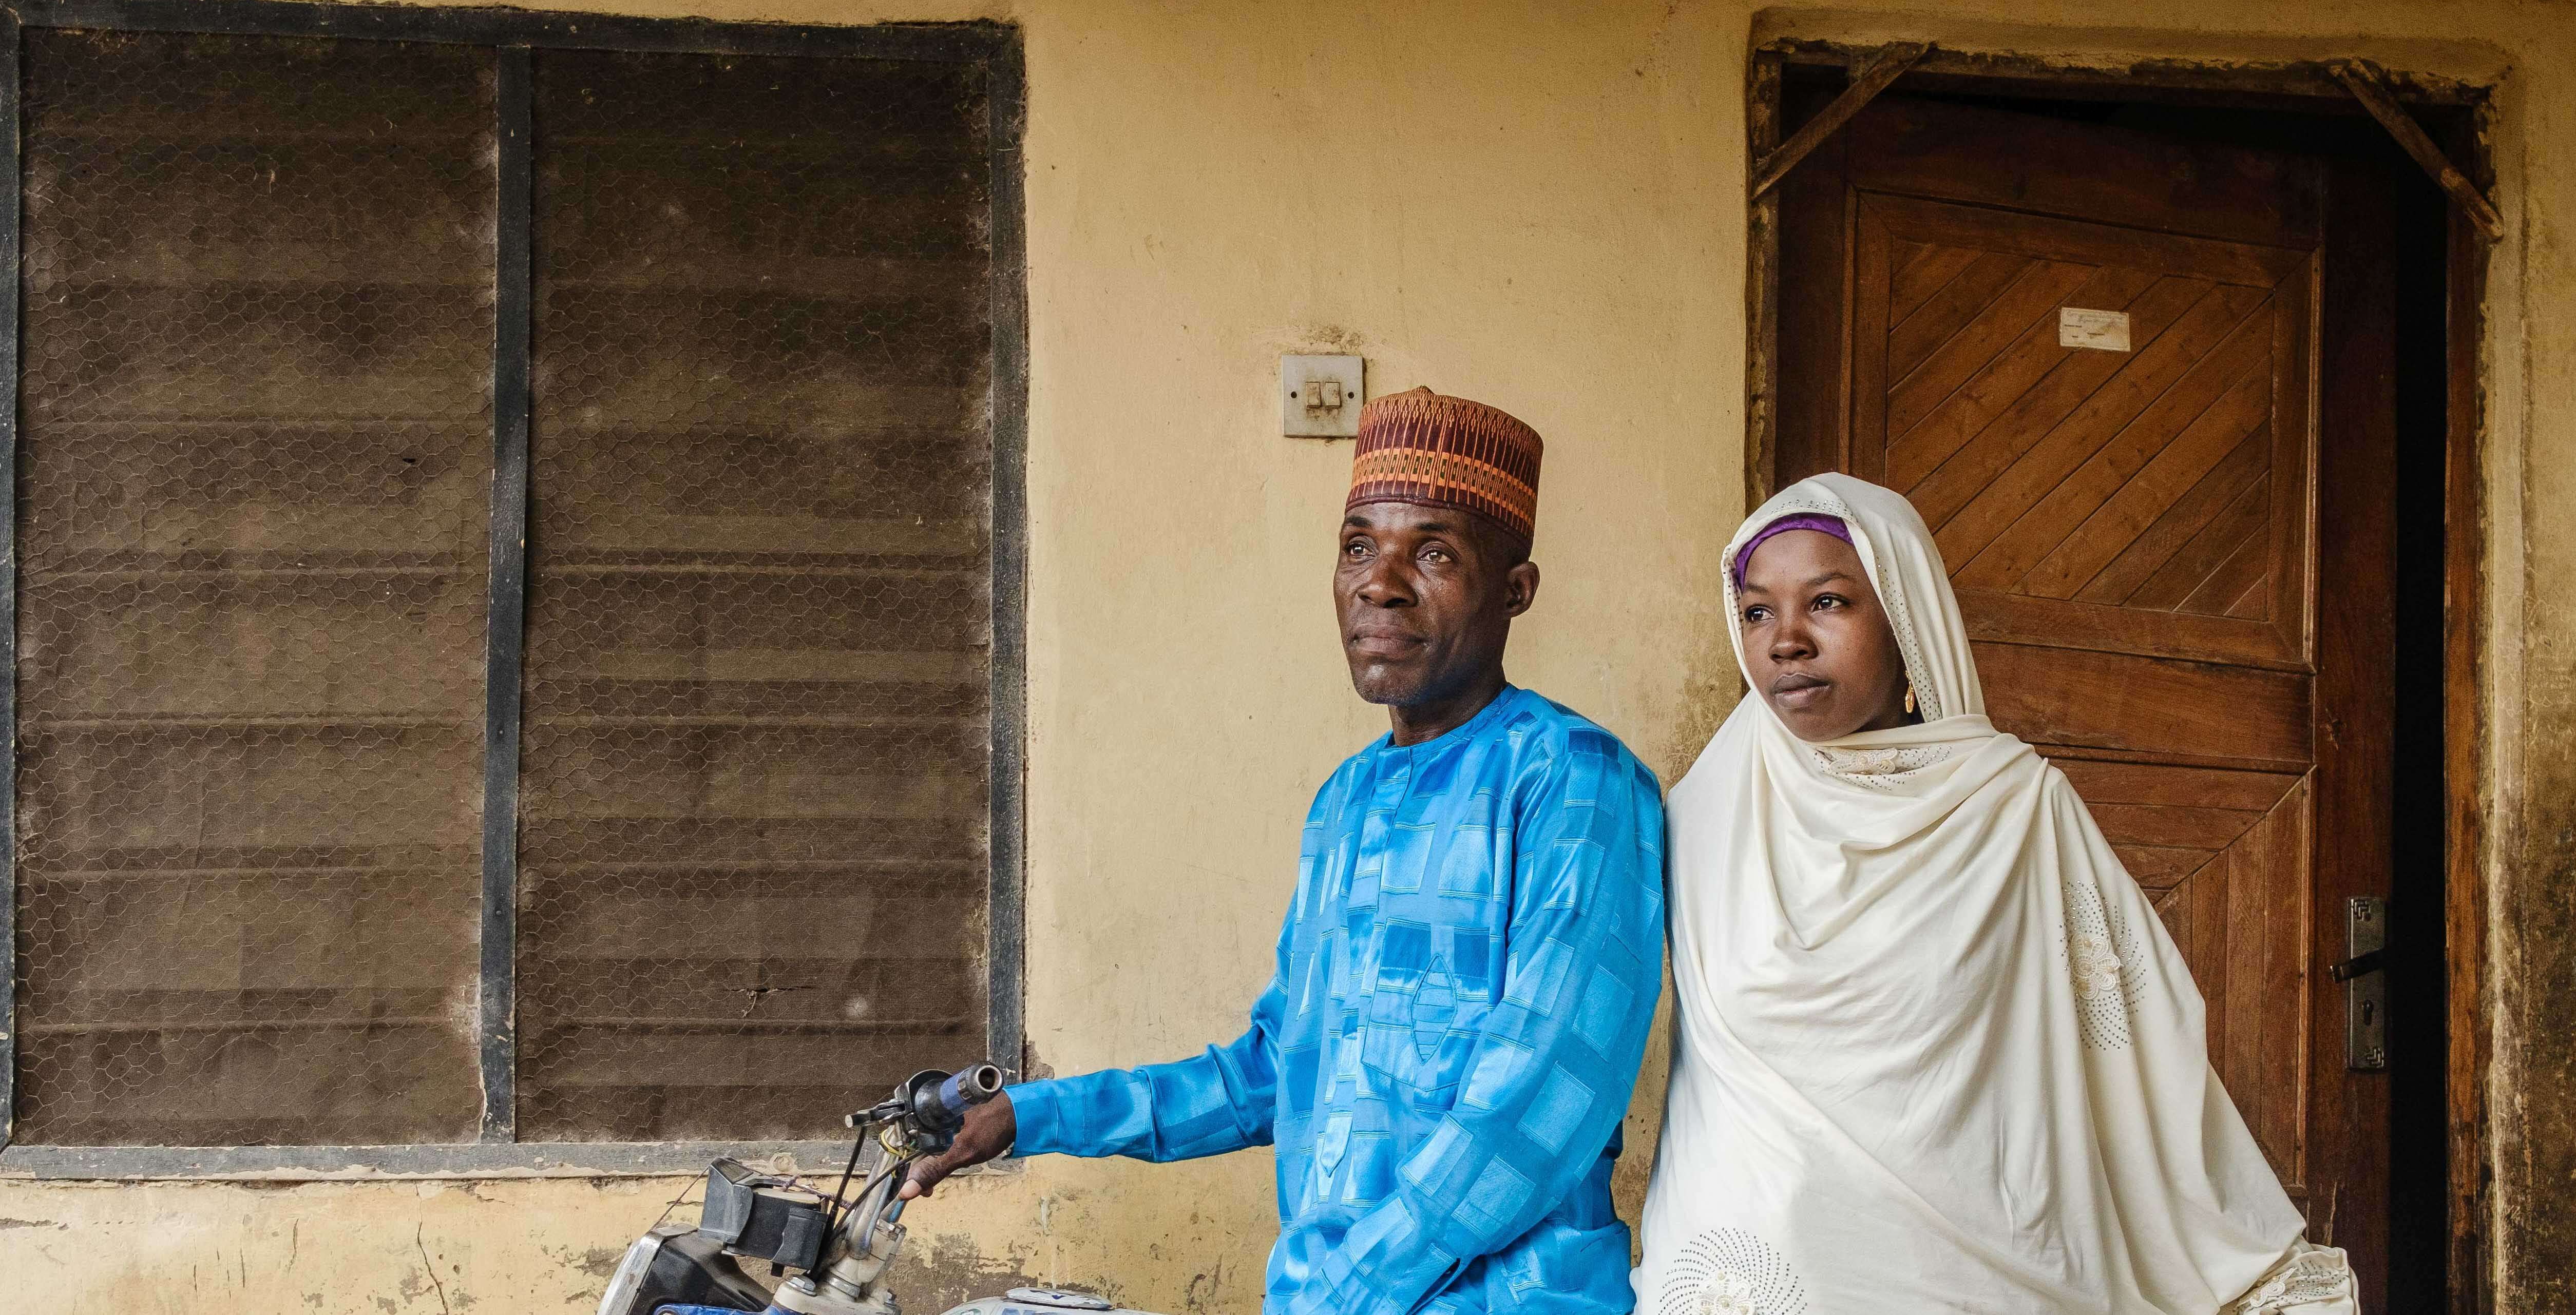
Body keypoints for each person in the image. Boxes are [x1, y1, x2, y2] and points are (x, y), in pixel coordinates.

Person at [908, 388, 1668, 1315]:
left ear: (1515, 590)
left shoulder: (1574, 778)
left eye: (1433, 553)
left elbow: (1541, 1101)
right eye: (1358, 547)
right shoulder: (1346, 801)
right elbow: (1279, 1070)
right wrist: (1032, 1117)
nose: (1379, 583)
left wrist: (1349, 1287)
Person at [1634, 473, 2356, 1315]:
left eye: (1828, 602)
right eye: (1758, 612)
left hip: (1977, 1266)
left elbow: (2131, 1036)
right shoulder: (1704, 811)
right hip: (1756, 1262)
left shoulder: (2014, 808)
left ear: (1906, 619)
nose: (1786, 640)